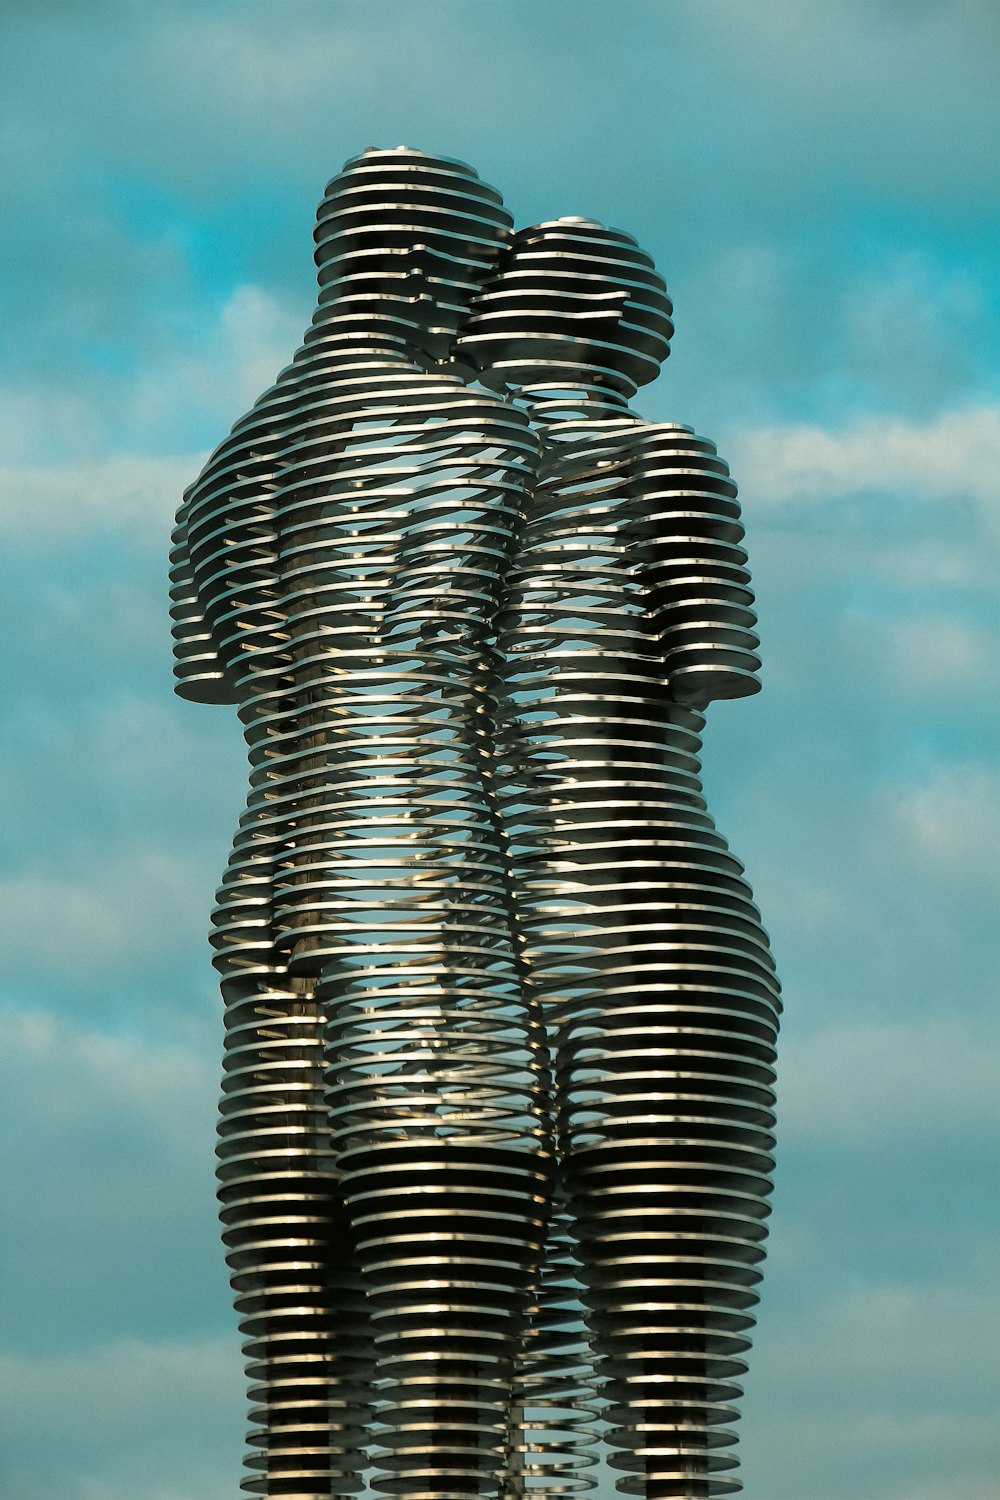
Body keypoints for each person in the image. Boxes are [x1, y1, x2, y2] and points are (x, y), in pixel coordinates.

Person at [171, 148, 550, 1500]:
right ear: (417, 258)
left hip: (260, 877)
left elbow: (211, 679)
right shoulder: (479, 428)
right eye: (475, 271)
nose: (483, 309)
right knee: (453, 1333)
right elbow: (499, 667)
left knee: (300, 1367)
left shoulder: (217, 479)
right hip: (413, 859)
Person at [456, 219, 781, 1499]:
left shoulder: (401, 491)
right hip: (653, 906)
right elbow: (712, 668)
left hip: (452, 928)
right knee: (669, 1388)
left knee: (473, 1370)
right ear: (608, 313)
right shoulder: (662, 456)